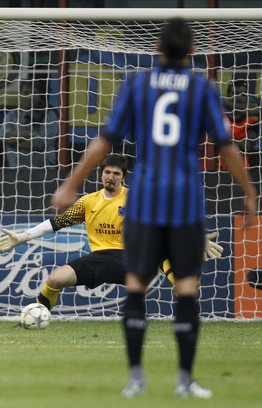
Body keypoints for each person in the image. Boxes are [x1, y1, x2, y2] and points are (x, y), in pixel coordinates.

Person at [50, 19, 257, 399]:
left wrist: (72, 183)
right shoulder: (202, 87)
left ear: (158, 47)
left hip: (143, 203)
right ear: (193, 51)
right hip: (185, 203)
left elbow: (105, 139)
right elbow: (226, 146)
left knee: (135, 287)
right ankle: (185, 379)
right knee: (187, 288)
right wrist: (249, 191)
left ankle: (135, 379)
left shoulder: (137, 84)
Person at [0, 154, 223, 310]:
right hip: (100, 260)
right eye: (107, 172)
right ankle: (38, 314)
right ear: (101, 175)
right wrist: (22, 237)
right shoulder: (88, 202)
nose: (111, 177)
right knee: (55, 279)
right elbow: (57, 222)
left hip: (131, 259)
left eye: (116, 173)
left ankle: (179, 284)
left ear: (123, 178)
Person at [0, 80, 58, 168]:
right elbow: (4, 136)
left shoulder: (49, 114)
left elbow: (39, 143)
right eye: (26, 93)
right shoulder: (11, 115)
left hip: (43, 171)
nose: (31, 96)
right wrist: (31, 134)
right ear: (20, 94)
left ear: (40, 94)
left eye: (34, 92)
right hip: (14, 169)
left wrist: (13, 142)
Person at [220, 79, 259, 169]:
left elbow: (245, 147)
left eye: (244, 95)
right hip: (216, 171)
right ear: (229, 95)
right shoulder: (218, 115)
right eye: (236, 93)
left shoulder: (253, 120)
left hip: (243, 171)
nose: (240, 97)